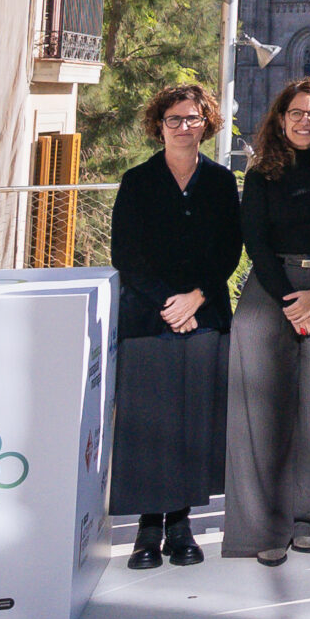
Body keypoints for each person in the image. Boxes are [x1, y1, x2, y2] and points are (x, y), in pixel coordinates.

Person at [221, 80, 310, 565]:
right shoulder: (261, 174)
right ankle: (262, 527)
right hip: (270, 290)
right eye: (296, 114)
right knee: (259, 415)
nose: (304, 122)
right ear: (281, 120)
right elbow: (253, 240)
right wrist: (289, 299)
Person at [108, 84, 241, 571]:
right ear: (158, 125)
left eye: (193, 118)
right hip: (148, 318)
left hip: (204, 316)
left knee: (190, 421)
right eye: (174, 119)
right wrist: (170, 305)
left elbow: (229, 251)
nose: (184, 127)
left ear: (207, 122)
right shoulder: (137, 181)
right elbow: (125, 254)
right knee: (148, 423)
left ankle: (181, 525)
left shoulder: (223, 182)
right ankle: (147, 528)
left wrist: (197, 298)